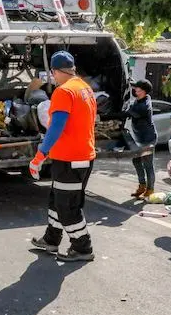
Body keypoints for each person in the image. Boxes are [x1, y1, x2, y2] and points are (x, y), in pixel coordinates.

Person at [29, 51, 96, 262]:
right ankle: (51, 239)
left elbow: (56, 127)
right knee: (56, 201)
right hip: (81, 156)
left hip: (70, 159)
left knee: (68, 207)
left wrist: (39, 156)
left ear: (55, 71)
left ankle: (82, 247)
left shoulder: (63, 92)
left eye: (53, 74)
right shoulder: (85, 88)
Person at [101, 79, 158, 198]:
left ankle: (150, 189)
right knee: (136, 161)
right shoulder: (139, 100)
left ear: (143, 91)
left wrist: (102, 116)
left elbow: (125, 114)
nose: (134, 89)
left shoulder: (143, 106)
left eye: (137, 88)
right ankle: (142, 186)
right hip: (138, 137)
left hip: (148, 138)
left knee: (148, 164)